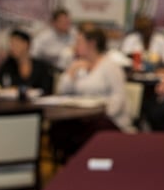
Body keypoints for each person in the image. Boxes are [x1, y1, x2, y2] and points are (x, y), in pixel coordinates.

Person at [53, 24, 134, 159]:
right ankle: (69, 168)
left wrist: (101, 112)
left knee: (91, 129)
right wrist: (72, 71)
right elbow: (62, 91)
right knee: (60, 128)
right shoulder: (78, 65)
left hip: (108, 119)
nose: (75, 45)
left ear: (92, 44)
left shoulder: (110, 66)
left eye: (79, 42)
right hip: (82, 117)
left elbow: (118, 97)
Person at [0, 29, 54, 94]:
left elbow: (47, 89)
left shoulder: (41, 66)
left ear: (26, 44)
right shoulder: (7, 65)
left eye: (16, 44)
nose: (12, 47)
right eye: (11, 44)